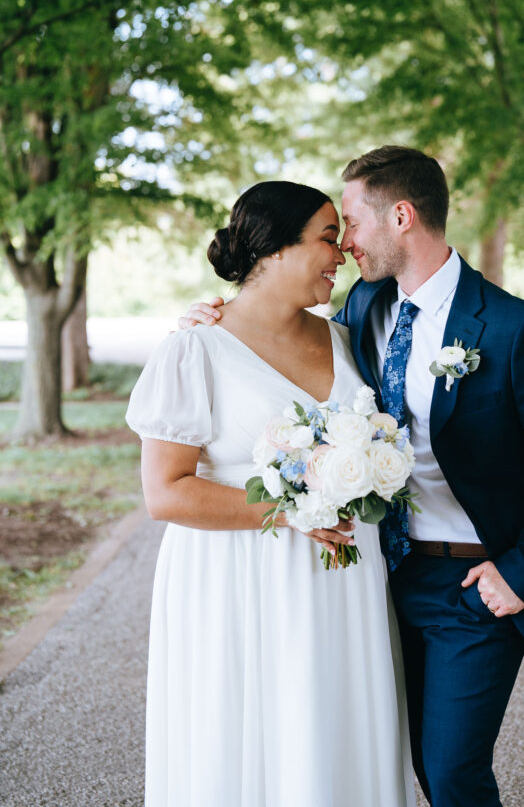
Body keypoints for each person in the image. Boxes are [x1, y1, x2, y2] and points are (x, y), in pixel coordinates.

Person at [182, 147, 524, 807]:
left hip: (471, 587)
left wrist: (522, 570)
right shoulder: (364, 308)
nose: (344, 243)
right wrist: (217, 326)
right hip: (375, 581)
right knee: (390, 761)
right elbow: (288, 349)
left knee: (451, 773)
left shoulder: (512, 329)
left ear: (401, 216)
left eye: (349, 223)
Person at [127, 180, 416, 807]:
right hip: (236, 579)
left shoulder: (345, 339)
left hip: (342, 584)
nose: (340, 255)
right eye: (327, 238)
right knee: (241, 740)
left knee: (334, 733)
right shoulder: (193, 349)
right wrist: (291, 512)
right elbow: (166, 494)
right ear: (273, 250)